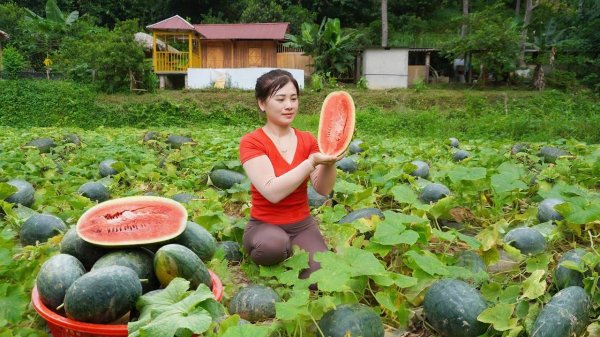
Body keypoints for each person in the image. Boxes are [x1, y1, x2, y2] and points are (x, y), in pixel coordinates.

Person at [239, 69, 341, 282]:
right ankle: (280, 252)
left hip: (302, 225)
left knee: (322, 278)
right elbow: (271, 191)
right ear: (262, 103)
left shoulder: (308, 140)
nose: (289, 105)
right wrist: (311, 162)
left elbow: (322, 189)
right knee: (273, 246)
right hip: (264, 226)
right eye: (281, 99)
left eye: (294, 99)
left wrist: (330, 163)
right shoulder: (252, 142)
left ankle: (293, 254)